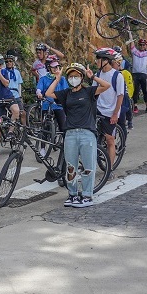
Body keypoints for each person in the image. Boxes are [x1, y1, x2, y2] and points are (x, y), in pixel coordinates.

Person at [45, 63, 110, 207]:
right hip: (70, 134)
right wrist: (57, 79)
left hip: (87, 133)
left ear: (81, 77)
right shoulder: (66, 93)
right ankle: (73, 194)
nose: (73, 79)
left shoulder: (89, 91)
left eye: (76, 76)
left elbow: (106, 86)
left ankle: (87, 195)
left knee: (88, 166)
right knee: (71, 167)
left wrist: (92, 76)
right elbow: (48, 94)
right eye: (70, 76)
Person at [93, 47, 125, 171]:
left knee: (110, 140)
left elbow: (120, 96)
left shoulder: (117, 76)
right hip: (98, 109)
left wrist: (115, 114)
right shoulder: (98, 74)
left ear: (106, 60)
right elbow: (93, 92)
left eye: (98, 59)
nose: (96, 61)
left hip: (110, 112)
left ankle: (109, 169)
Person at [36, 57, 69, 155]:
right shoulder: (43, 79)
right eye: (54, 67)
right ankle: (42, 148)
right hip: (47, 104)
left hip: (58, 105)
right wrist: (39, 93)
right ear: (49, 68)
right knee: (44, 127)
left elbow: (66, 91)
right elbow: (39, 89)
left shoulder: (62, 79)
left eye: (57, 67)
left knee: (63, 127)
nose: (56, 69)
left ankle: (67, 146)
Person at [128, 35, 147, 113]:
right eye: (140, 45)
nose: (142, 46)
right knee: (135, 91)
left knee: (146, 91)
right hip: (135, 74)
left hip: (143, 74)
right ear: (138, 45)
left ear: (146, 45)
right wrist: (129, 31)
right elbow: (131, 41)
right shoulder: (134, 52)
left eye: (143, 45)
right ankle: (135, 106)